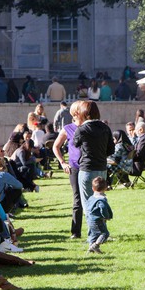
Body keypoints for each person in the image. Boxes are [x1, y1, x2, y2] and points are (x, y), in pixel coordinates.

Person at [72, 100, 115, 211]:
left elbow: (75, 144)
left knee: (88, 208)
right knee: (100, 203)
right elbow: (111, 150)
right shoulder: (105, 128)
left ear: (83, 114)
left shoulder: (81, 130)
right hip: (101, 168)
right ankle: (101, 227)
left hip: (87, 169)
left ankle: (94, 228)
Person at [52, 102, 83, 239]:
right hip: (75, 167)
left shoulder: (88, 127)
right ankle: (75, 232)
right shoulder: (67, 128)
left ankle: (97, 231)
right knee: (77, 199)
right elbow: (55, 147)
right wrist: (63, 162)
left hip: (89, 166)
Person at [85, 176, 113, 254]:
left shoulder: (91, 198)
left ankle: (91, 249)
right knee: (105, 233)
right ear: (105, 188)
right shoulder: (101, 199)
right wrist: (106, 217)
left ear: (92, 188)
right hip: (98, 220)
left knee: (93, 235)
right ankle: (95, 245)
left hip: (90, 219)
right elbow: (103, 208)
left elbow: (87, 207)